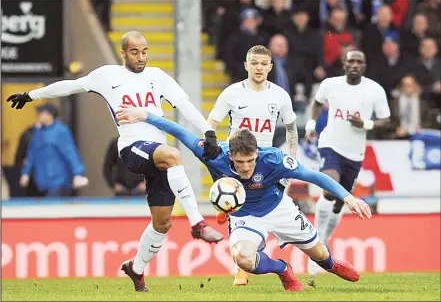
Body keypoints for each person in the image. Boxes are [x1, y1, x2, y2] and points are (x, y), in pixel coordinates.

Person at [6, 31, 224, 291]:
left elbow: (185, 104)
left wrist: (208, 132)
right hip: (132, 147)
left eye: (144, 51)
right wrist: (31, 95)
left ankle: (136, 269)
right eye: (135, 52)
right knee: (174, 154)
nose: (141, 57)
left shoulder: (157, 77)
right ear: (123, 53)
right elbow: (70, 85)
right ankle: (198, 223)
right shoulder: (107, 76)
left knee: (162, 223)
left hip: (158, 154)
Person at [115, 106, 372, 292]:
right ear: (230, 157)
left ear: (257, 153)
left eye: (250, 161)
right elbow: (181, 132)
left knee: (320, 257)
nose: (246, 167)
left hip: (278, 209)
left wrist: (349, 198)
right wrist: (146, 116)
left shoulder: (273, 159)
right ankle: (282, 270)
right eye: (240, 162)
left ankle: (332, 263)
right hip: (243, 216)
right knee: (244, 259)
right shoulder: (215, 155)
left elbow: (314, 176)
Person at [207, 44, 299, 285]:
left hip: (266, 163)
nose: (259, 68)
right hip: (236, 161)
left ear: (270, 66)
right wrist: (211, 144)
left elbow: (291, 129)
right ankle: (241, 267)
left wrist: (292, 159)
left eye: (263, 64)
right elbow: (212, 122)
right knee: (235, 207)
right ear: (246, 66)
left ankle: (246, 262)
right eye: (254, 63)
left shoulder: (279, 95)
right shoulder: (231, 93)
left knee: (261, 209)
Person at [304, 50, 391, 275]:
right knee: (330, 188)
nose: (354, 64)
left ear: (364, 65)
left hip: (355, 153)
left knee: (339, 203)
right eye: (350, 61)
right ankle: (317, 247)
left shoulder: (374, 89)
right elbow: (317, 102)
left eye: (359, 61)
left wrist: (367, 124)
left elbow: (386, 119)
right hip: (330, 144)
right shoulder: (330, 84)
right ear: (343, 63)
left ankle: (322, 241)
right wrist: (311, 126)